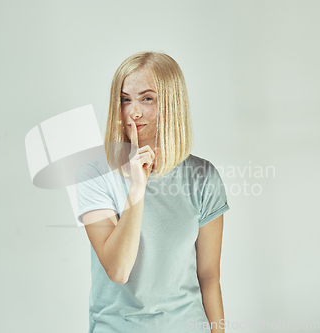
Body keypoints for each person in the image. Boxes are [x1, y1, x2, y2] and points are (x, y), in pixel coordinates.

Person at [75, 51, 229, 332]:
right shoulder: (94, 175)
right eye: (125, 99)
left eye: (147, 98)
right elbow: (118, 270)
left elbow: (208, 277)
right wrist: (137, 187)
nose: (133, 111)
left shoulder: (203, 177)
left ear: (172, 103)